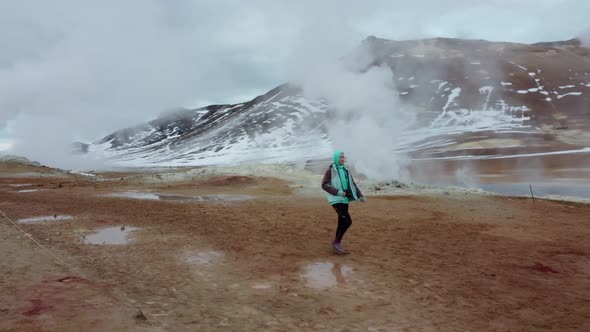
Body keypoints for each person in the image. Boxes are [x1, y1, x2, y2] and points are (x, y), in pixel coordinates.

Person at [321, 150, 366, 254]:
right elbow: (324, 185)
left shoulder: (346, 170)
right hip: (335, 199)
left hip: (345, 200)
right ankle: (336, 242)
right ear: (336, 159)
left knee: (341, 221)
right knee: (347, 221)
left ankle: (337, 244)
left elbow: (352, 184)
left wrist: (360, 196)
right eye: (340, 157)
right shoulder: (331, 171)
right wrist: (338, 192)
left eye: (343, 157)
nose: (342, 159)